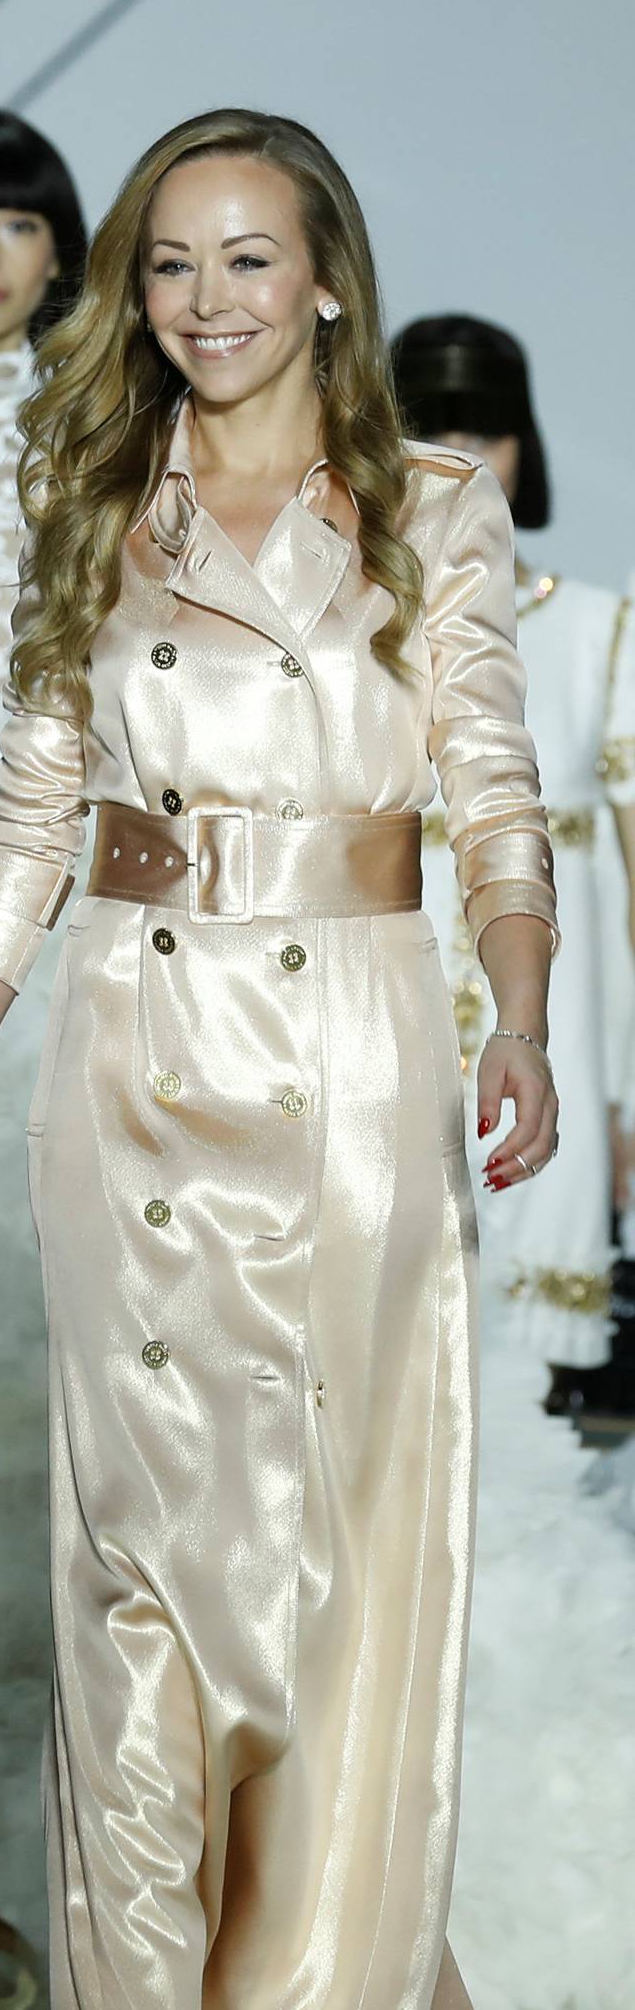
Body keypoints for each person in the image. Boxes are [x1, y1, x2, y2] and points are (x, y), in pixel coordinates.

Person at [0, 110, 556, 2010]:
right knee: (130, 1558)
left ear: (330, 278)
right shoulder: (93, 488)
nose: (207, 300)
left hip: (357, 1048)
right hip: (135, 1038)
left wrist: (525, 1015)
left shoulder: (433, 506)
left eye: (250, 260)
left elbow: (491, 789)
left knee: (323, 1566)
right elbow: (27, 809)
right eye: (172, 263)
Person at [390, 315, 633, 1370]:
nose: (461, 464)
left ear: (523, 445)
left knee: (544, 1380)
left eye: (483, 434)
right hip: (374, 1023)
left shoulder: (599, 629)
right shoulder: (338, 636)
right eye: (429, 433)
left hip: (564, 1036)